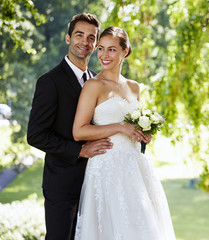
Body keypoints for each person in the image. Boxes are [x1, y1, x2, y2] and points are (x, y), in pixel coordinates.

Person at [72, 26, 176, 240]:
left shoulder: (134, 87)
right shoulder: (93, 85)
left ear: (125, 52)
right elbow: (79, 131)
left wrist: (143, 134)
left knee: (142, 228)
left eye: (112, 50)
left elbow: (134, 125)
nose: (103, 55)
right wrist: (120, 127)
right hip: (107, 167)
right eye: (101, 48)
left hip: (135, 167)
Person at [27, 13, 113, 240]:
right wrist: (79, 151)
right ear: (67, 38)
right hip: (62, 184)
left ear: (96, 44)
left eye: (91, 37)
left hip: (95, 180)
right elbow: (35, 135)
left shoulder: (98, 80)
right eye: (79, 35)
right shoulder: (50, 82)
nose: (85, 42)